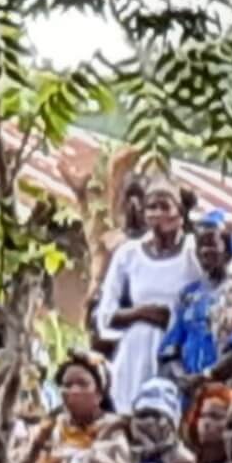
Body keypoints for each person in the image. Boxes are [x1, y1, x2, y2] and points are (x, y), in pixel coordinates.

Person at [95, 177, 202, 414]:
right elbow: (106, 315)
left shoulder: (193, 253)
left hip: (178, 350)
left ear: (180, 213)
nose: (157, 214)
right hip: (136, 351)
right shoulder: (129, 254)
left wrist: (174, 320)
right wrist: (141, 312)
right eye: (151, 207)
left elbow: (206, 296)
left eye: (165, 207)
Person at [158, 209, 232, 394]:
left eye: (211, 244)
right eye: (200, 245)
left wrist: (209, 376)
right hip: (189, 391)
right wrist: (180, 377)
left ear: (230, 244)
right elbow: (170, 347)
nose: (204, 251)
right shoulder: (190, 294)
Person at [21, 351, 127, 463]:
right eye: (67, 385)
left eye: (83, 384)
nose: (74, 391)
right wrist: (37, 444)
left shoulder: (112, 428)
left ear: (99, 394)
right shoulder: (52, 426)